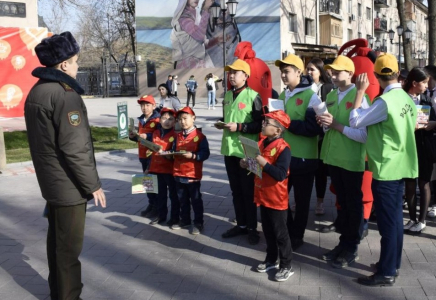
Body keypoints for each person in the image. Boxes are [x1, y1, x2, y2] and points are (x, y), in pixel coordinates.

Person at [24, 31, 106, 300]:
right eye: (75, 61)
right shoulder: (64, 95)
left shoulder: (37, 91)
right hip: (69, 186)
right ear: (63, 65)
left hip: (52, 182)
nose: (78, 66)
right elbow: (75, 147)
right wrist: (93, 185)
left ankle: (58, 293)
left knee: (57, 245)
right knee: (69, 251)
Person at [350, 53, 418, 286]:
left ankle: (387, 272)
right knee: (396, 220)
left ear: (376, 76)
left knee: (388, 224)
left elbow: (355, 121)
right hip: (402, 164)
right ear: (398, 73)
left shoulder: (384, 102)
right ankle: (392, 264)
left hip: (386, 167)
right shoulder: (408, 99)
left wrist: (359, 93)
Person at [317, 55, 370, 269]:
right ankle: (343, 244)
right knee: (342, 205)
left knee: (352, 205)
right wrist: (324, 123)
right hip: (332, 157)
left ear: (350, 73)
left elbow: (364, 135)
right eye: (332, 71)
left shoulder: (361, 97)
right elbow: (327, 128)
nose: (333, 74)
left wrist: (337, 125)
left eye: (338, 71)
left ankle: (352, 247)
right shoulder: (330, 94)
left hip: (350, 159)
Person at [275, 54, 322, 250]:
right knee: (281, 197)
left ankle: (297, 235)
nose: (283, 76)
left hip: (304, 158)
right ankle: (287, 231)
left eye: (286, 72)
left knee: (302, 202)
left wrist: (288, 124)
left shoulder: (311, 96)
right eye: (282, 72)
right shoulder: (281, 95)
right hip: (283, 157)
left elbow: (314, 129)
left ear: (298, 72)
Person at [241, 110, 293, 282]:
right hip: (262, 195)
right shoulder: (262, 143)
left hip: (276, 198)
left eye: (267, 123)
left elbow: (280, 175)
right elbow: (258, 169)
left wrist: (263, 162)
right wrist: (247, 164)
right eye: (264, 122)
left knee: (281, 233)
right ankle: (271, 259)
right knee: (268, 231)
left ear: (277, 130)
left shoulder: (283, 148)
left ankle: (286, 265)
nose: (262, 125)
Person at [216, 59, 263, 245]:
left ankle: (252, 228)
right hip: (229, 149)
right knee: (236, 191)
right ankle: (241, 225)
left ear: (246, 76)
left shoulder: (253, 96)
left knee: (249, 191)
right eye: (230, 72)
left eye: (236, 72)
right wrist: (222, 123)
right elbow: (229, 116)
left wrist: (240, 127)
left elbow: (260, 124)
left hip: (248, 151)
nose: (232, 75)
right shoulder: (227, 95)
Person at [402, 67, 436, 233]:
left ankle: (421, 220)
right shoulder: (401, 99)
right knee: (409, 184)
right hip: (407, 147)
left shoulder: (427, 100)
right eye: (424, 82)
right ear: (414, 83)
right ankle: (412, 218)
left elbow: (435, 119)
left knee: (424, 182)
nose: (427, 85)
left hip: (424, 147)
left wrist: (433, 124)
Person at [171, 107, 210, 234]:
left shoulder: (200, 137)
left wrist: (193, 156)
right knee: (182, 199)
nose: (182, 122)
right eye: (180, 119)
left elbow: (205, 153)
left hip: (192, 174)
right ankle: (185, 220)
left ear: (193, 118)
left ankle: (198, 223)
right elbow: (173, 150)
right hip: (178, 172)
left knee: (196, 200)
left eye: (185, 118)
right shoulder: (177, 136)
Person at [306, 57, 334, 215]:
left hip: (323, 135)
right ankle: (300, 199)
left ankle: (320, 201)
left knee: (321, 171)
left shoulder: (328, 87)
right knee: (305, 170)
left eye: (312, 70)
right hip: (307, 133)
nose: (309, 72)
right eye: (308, 69)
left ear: (320, 71)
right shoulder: (304, 87)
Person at [129, 95, 160, 218]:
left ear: (154, 106)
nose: (144, 108)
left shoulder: (157, 120)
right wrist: (133, 137)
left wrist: (147, 136)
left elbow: (160, 137)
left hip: (153, 155)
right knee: (147, 181)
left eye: (147, 105)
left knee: (154, 182)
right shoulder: (141, 120)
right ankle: (151, 204)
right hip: (142, 154)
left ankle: (157, 207)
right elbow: (140, 139)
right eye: (142, 105)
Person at [148, 108, 179, 226]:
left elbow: (176, 153)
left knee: (173, 194)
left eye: (171, 119)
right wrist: (148, 167)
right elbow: (150, 150)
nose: (167, 121)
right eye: (164, 118)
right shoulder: (155, 133)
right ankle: (161, 216)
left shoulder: (175, 135)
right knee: (160, 194)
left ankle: (175, 217)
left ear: (175, 122)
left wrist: (166, 153)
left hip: (169, 170)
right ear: (160, 120)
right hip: (156, 169)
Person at [170, 0, 213, 69]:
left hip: (199, 61)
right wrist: (205, 10)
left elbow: (202, 41)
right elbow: (199, 36)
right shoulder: (183, 17)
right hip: (188, 63)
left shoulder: (196, 13)